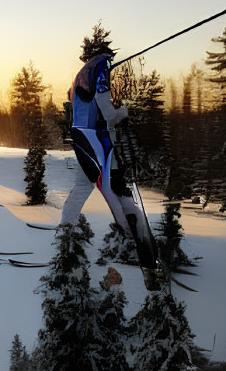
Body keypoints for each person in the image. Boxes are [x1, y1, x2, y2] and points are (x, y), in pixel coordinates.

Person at [62, 50, 158, 287]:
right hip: (97, 144)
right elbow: (109, 115)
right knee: (118, 197)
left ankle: (64, 241)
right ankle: (149, 263)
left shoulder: (80, 76)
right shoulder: (99, 70)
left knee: (80, 191)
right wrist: (125, 110)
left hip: (82, 142)